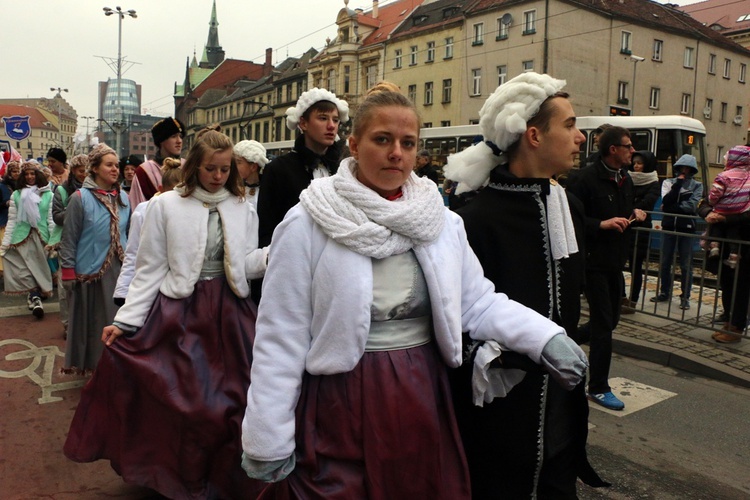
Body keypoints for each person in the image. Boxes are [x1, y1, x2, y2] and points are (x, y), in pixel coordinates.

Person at [240, 83, 587, 498]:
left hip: (421, 393)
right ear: (354, 144)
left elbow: (476, 302)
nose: (396, 154)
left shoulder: (438, 220)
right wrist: (268, 435)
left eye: (408, 142)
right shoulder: (308, 223)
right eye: (382, 140)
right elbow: (282, 335)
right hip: (341, 400)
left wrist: (545, 337)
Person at [64, 130, 268, 500]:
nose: (218, 176)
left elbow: (245, 263)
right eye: (210, 168)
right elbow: (150, 268)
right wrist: (125, 321)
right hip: (181, 313)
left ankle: (223, 475)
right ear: (194, 166)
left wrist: (274, 255)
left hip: (230, 313)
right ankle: (180, 475)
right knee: (186, 401)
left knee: (237, 398)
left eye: (225, 169)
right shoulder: (165, 206)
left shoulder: (243, 206)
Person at [444, 72, 606, 498]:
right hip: (501, 409)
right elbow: (456, 321)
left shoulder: (566, 205)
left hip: (562, 405)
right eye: (569, 125)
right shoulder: (472, 218)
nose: (581, 137)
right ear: (533, 135)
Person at [566, 126, 646, 411]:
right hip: (591, 263)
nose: (632, 151)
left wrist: (634, 214)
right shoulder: (584, 179)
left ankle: (566, 339)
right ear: (613, 150)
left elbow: (623, 210)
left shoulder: (625, 178)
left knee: (611, 320)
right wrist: (600, 224)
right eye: (628, 146)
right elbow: (570, 219)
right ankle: (598, 387)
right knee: (603, 326)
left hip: (614, 262)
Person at [60, 144, 131, 374]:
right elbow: (69, 238)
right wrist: (68, 271)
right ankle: (94, 367)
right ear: (95, 169)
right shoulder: (79, 199)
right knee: (93, 325)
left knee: (118, 320)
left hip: (119, 269)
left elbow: (129, 233)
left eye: (116, 165)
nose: (115, 170)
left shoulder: (124, 198)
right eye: (109, 165)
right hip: (91, 272)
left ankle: (114, 366)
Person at [256, 87, 349, 248]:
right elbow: (267, 229)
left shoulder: (343, 169)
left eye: (335, 120)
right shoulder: (278, 169)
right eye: (323, 118)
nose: (331, 126)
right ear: (303, 123)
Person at [112, 157, 182, 305]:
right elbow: (133, 252)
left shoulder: (194, 212)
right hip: (151, 285)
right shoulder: (144, 211)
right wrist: (122, 291)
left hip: (180, 287)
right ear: (161, 189)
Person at [0, 162, 55, 319]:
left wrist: (53, 243)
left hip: (41, 238)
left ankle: (35, 297)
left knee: (39, 269)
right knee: (26, 270)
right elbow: (12, 221)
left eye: (32, 173)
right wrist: (5, 245)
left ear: (38, 175)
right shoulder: (16, 195)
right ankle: (35, 298)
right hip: (21, 239)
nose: (30, 177)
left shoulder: (48, 195)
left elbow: (50, 220)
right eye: (26, 174)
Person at [649, 154, 703, 310]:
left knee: (686, 264)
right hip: (669, 227)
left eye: (688, 168)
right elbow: (665, 200)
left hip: (686, 228)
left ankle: (685, 297)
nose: (684, 171)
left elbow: (692, 206)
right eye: (682, 167)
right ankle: (665, 292)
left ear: (692, 170)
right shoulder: (668, 182)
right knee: (665, 262)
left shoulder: (697, 186)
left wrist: (671, 208)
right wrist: (678, 184)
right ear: (677, 167)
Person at [49, 154, 89, 335]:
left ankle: (83, 322)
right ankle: (67, 324)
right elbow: (57, 217)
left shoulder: (94, 189)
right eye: (81, 171)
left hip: (87, 242)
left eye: (87, 170)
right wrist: (75, 209)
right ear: (73, 171)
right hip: (66, 242)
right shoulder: (62, 191)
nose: (85, 174)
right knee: (65, 288)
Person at [699, 202, 750, 344]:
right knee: (727, 285)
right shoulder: (727, 186)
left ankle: (737, 327)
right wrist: (709, 213)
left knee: (741, 287)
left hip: (744, 249)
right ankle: (728, 321)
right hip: (725, 247)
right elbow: (703, 204)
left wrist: (725, 218)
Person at [622, 150, 660, 313]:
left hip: (641, 229)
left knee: (636, 267)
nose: (636, 166)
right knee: (618, 263)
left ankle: (633, 301)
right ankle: (621, 296)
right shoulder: (627, 178)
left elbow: (648, 201)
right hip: (626, 226)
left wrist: (633, 205)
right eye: (635, 163)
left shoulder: (653, 181)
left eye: (640, 163)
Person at [705, 145, 750, 268]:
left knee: (717, 224)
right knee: (733, 232)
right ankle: (734, 256)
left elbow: (714, 194)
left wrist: (712, 204)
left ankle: (714, 246)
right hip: (739, 210)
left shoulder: (724, 175)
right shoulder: (747, 176)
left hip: (722, 209)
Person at [129, 117, 185, 208]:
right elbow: (138, 207)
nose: (179, 141)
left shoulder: (187, 166)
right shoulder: (143, 171)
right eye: (173, 136)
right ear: (161, 141)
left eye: (180, 136)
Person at [233, 139, 269, 207]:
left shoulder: (267, 192)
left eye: (238, 162)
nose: (234, 166)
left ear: (253, 167)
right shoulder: (233, 190)